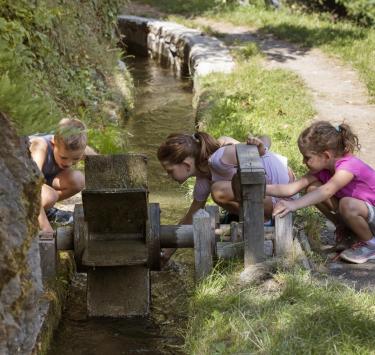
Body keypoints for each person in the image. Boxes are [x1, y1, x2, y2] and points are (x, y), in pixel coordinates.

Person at [157, 131, 293, 261]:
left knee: (218, 191)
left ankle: (263, 221)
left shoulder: (219, 159)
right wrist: (166, 254)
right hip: (266, 195)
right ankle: (258, 217)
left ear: (186, 165)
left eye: (170, 171)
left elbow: (257, 149)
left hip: (283, 195)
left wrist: (261, 146)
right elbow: (190, 217)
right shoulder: (203, 181)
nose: (168, 176)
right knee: (219, 189)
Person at [267, 121, 375, 264]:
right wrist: (260, 187)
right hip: (366, 216)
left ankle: (370, 245)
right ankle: (348, 231)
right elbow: (291, 189)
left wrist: (293, 205)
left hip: (368, 213)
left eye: (307, 157)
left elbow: (327, 190)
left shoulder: (349, 166)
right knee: (313, 189)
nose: (303, 161)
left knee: (346, 204)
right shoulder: (323, 169)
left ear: (326, 155)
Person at [29, 118, 95, 234]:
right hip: (22, 186)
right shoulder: (40, 147)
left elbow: (100, 162)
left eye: (75, 159)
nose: (68, 163)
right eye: (63, 157)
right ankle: (35, 214)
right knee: (50, 196)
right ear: (54, 143)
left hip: (43, 183)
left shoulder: (77, 148)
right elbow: (31, 188)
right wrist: (46, 228)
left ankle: (43, 209)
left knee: (78, 180)